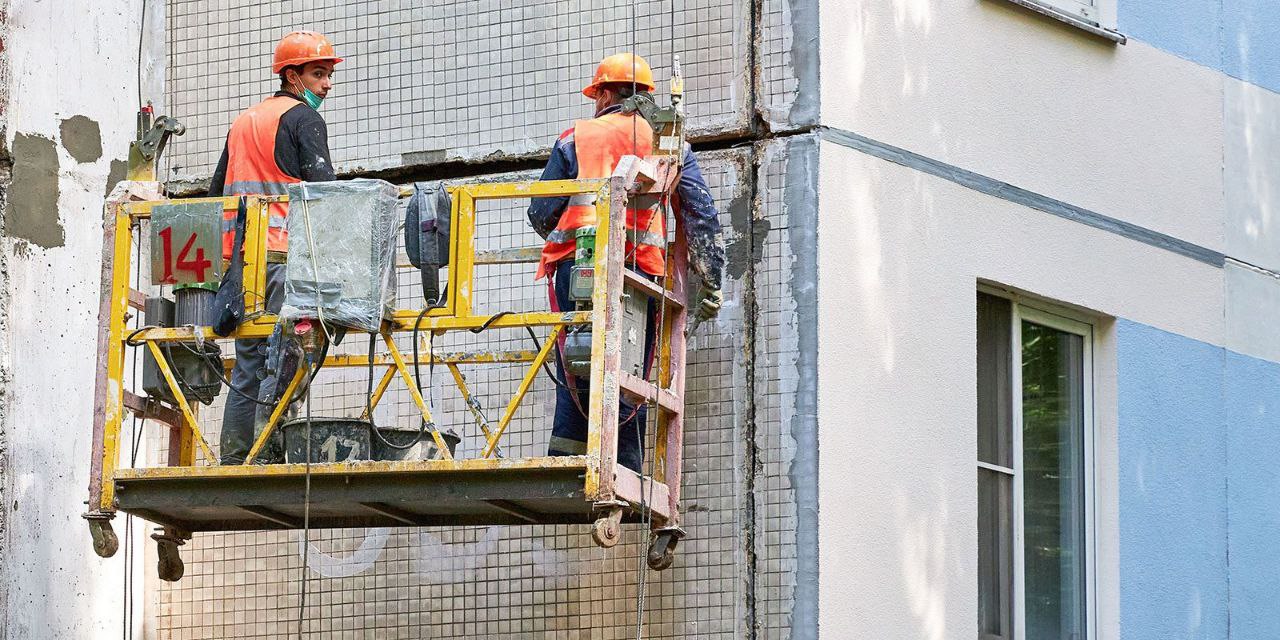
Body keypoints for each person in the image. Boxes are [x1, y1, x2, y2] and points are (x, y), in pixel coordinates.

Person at [526, 52, 726, 474]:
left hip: (578, 268)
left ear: (605, 93)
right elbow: (701, 215)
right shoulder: (670, 144)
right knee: (632, 366)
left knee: (576, 358)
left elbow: (541, 212)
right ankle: (628, 465)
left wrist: (569, 240)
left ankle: (567, 461)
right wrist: (711, 280)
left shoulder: (575, 137)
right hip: (641, 273)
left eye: (596, 93)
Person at [210, 30, 342, 464]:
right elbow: (325, 194)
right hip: (284, 255)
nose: (326, 84)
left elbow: (217, 193)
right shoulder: (305, 119)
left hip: (241, 261)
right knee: (287, 356)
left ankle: (235, 456)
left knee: (248, 361)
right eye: (318, 74)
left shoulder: (244, 121)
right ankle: (267, 452)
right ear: (292, 75)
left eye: (327, 74)